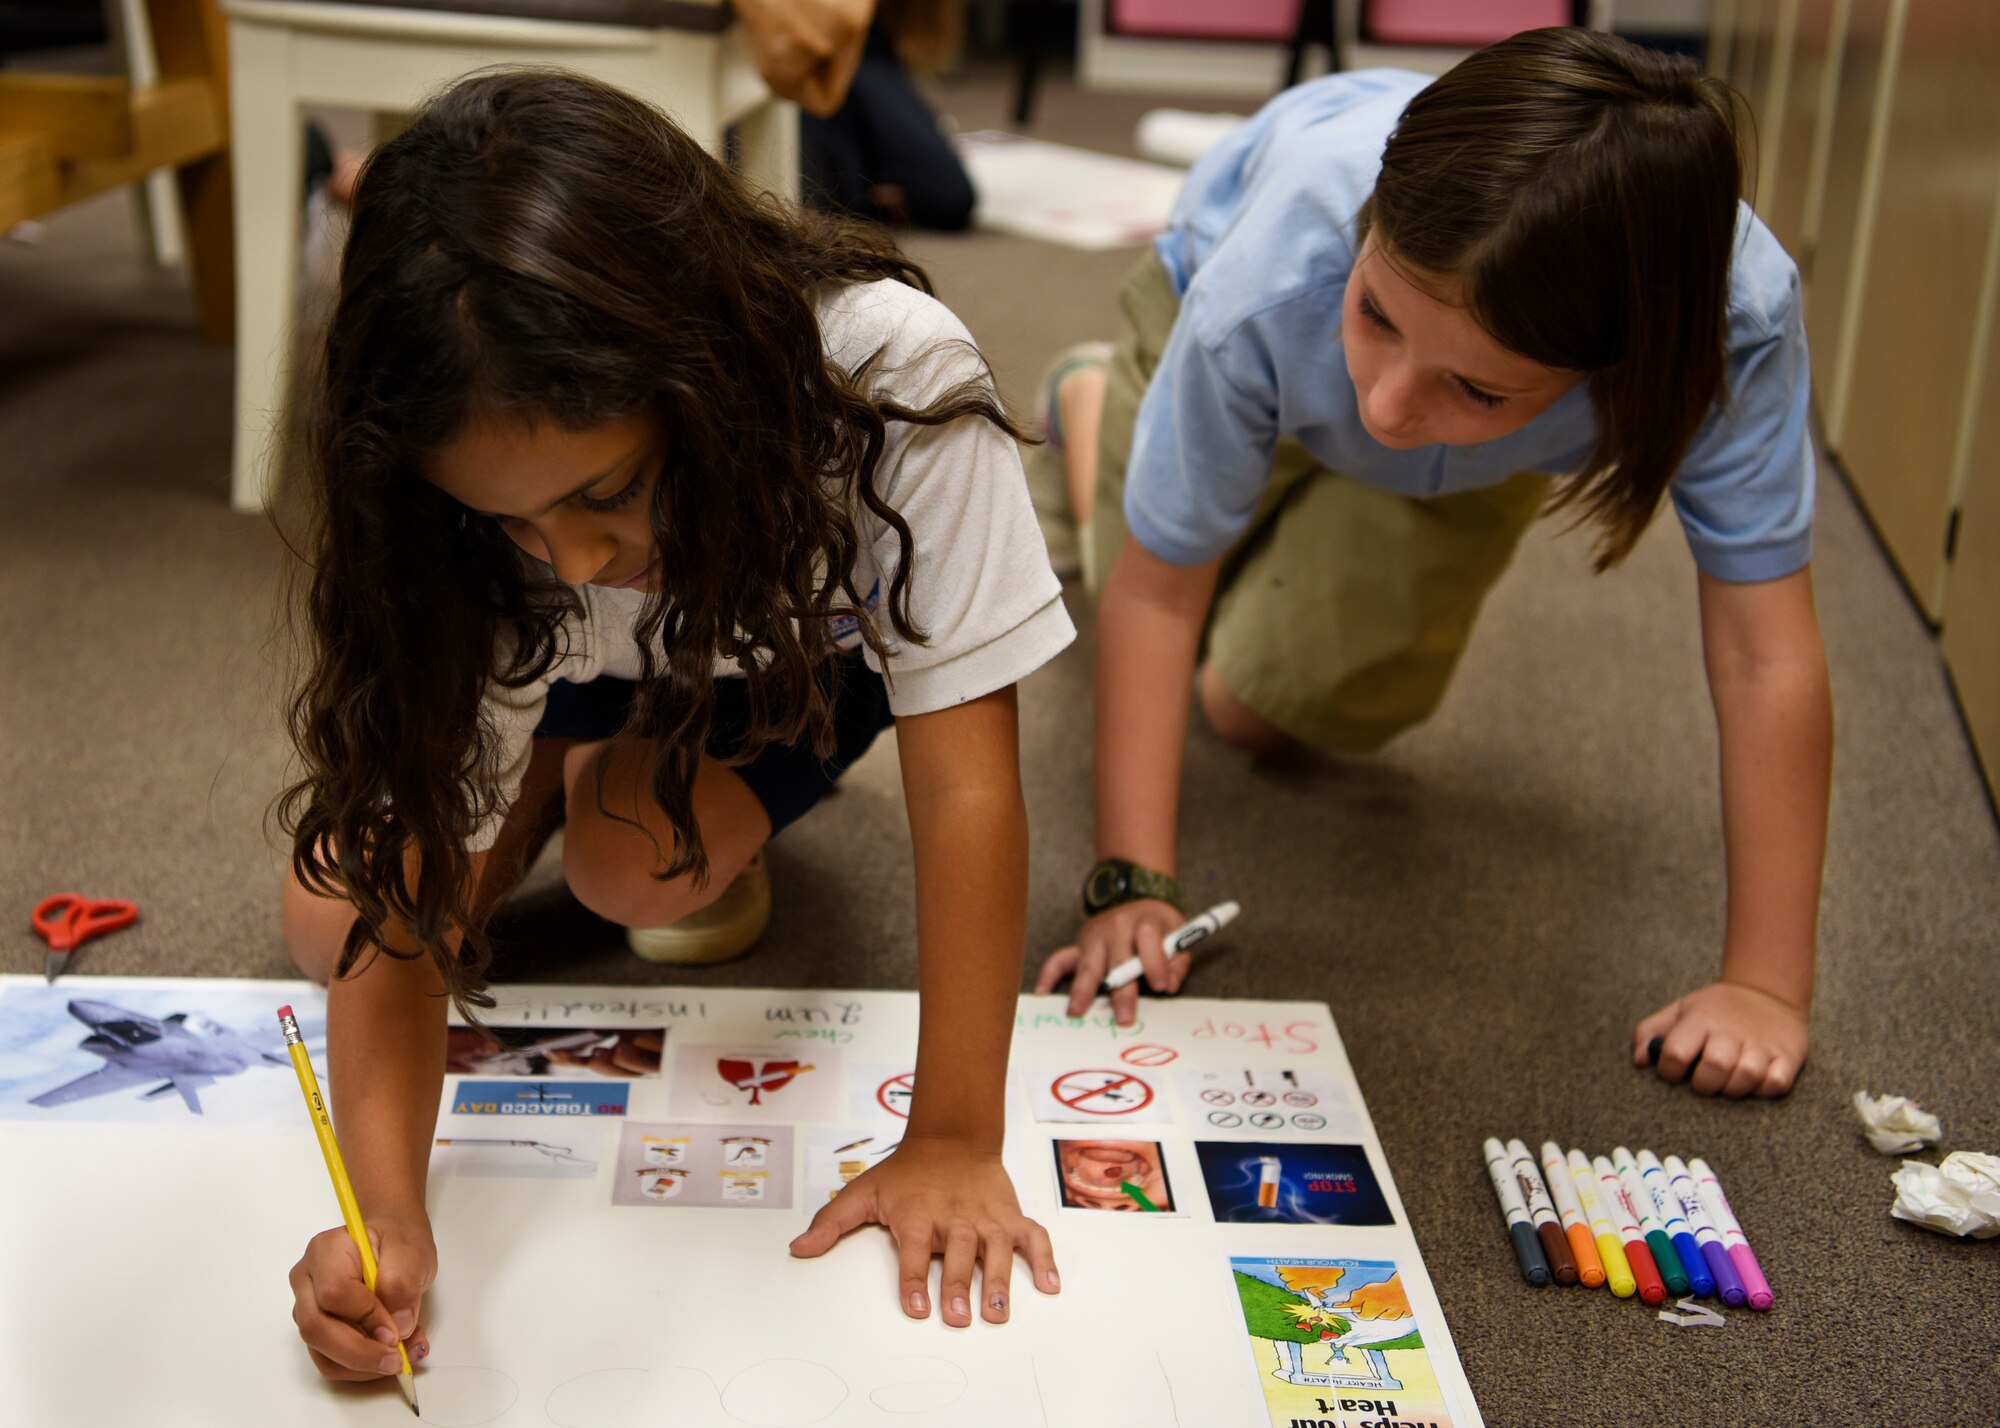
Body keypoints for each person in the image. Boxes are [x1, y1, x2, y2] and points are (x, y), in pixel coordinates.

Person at [277, 69, 1069, 1385]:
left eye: (609, 490)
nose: (576, 552)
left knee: (632, 861)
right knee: (334, 922)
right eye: (512, 516)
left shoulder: (886, 371)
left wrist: (953, 1135)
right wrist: (390, 1214)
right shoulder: (481, 537)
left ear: (695, 365)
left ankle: (566, 777)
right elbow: (395, 919)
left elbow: (969, 786)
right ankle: (536, 759)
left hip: (782, 654)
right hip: (557, 659)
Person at [1030, 28, 1829, 1101]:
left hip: (1466, 468)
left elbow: (1761, 650)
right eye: (1377, 317)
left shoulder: (1732, 327)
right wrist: (1129, 879)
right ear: (1362, 237)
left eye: (1477, 387)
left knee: (1255, 713)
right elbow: (1158, 588)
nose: (1390, 404)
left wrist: (1765, 987)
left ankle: (1384, 408)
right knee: (1143, 548)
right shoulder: (1271, 275)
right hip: (1243, 344)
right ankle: (1093, 402)